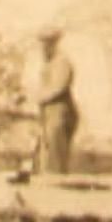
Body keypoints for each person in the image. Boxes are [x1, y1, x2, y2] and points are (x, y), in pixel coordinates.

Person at [34, 26, 78, 174]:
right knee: (44, 152)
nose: (43, 48)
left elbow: (59, 87)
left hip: (60, 111)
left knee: (55, 155)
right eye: (42, 44)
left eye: (47, 43)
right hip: (48, 111)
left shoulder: (62, 62)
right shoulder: (48, 64)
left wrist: (40, 98)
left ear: (53, 43)